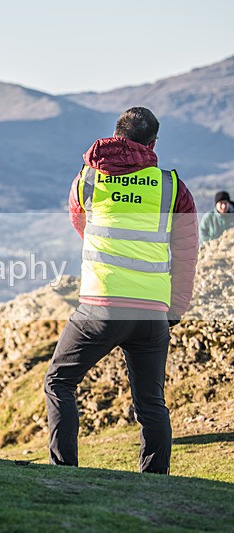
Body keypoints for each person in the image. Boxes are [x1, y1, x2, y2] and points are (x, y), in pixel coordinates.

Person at [43, 107, 198, 474]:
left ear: (116, 135)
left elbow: (80, 223)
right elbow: (187, 252)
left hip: (100, 307)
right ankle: (155, 480)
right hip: (152, 312)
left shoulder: (87, 178)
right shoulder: (172, 187)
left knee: (59, 382)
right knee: (151, 402)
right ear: (153, 143)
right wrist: (176, 308)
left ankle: (64, 470)